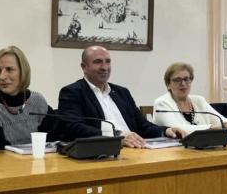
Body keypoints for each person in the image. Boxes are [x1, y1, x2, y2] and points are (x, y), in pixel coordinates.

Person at [57, 46, 185, 148]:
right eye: (98, 62)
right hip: (103, 153)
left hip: (136, 151)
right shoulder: (72, 92)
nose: (104, 67)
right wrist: (117, 137)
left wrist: (166, 131)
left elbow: (142, 126)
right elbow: (73, 128)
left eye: (108, 62)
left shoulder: (122, 92)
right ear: (84, 67)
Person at [0, 46, 56, 150]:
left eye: (9, 69)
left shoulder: (38, 101)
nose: (2, 77)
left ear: (23, 72)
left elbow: (52, 143)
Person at [153, 62, 227, 135]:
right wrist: (211, 128)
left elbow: (222, 121)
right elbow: (176, 128)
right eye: (178, 80)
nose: (183, 83)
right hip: (175, 150)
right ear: (168, 84)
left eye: (186, 79)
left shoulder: (199, 100)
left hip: (204, 147)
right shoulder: (162, 103)